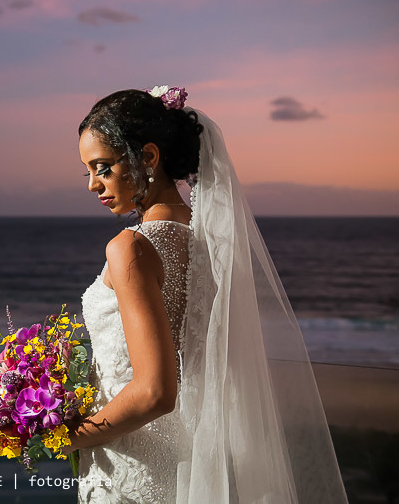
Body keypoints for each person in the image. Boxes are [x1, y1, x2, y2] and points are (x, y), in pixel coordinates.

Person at [60, 87, 348, 503]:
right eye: (87, 171)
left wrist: (68, 436)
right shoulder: (210, 241)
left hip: (134, 464)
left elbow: (155, 391)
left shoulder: (131, 248)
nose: (92, 185)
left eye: (103, 167)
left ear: (149, 158)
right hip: (191, 456)